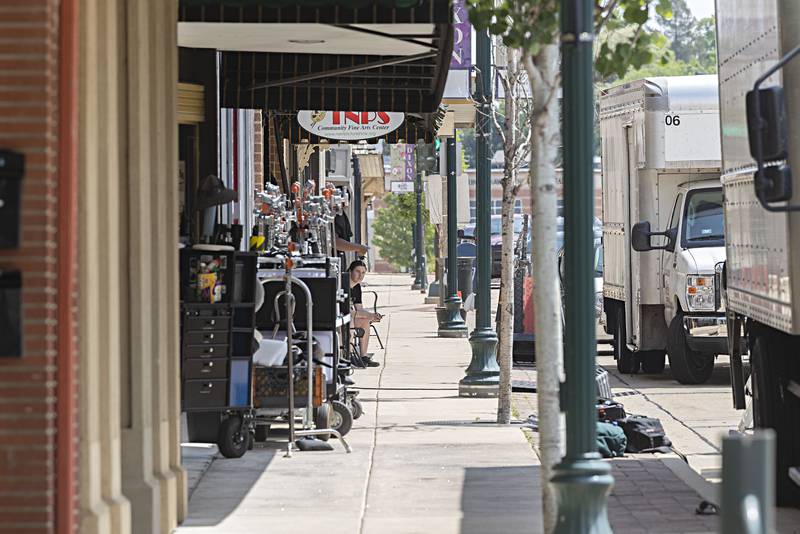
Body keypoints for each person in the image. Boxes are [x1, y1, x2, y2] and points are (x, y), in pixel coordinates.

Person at [348, 259, 381, 367]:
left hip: (351, 316)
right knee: (351, 322)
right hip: (341, 317)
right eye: (357, 271)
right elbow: (348, 311)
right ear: (350, 271)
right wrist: (367, 315)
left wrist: (371, 316)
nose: (360, 275)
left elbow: (359, 308)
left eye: (363, 273)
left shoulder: (357, 286)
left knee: (365, 321)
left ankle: (363, 356)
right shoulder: (342, 284)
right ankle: (349, 355)